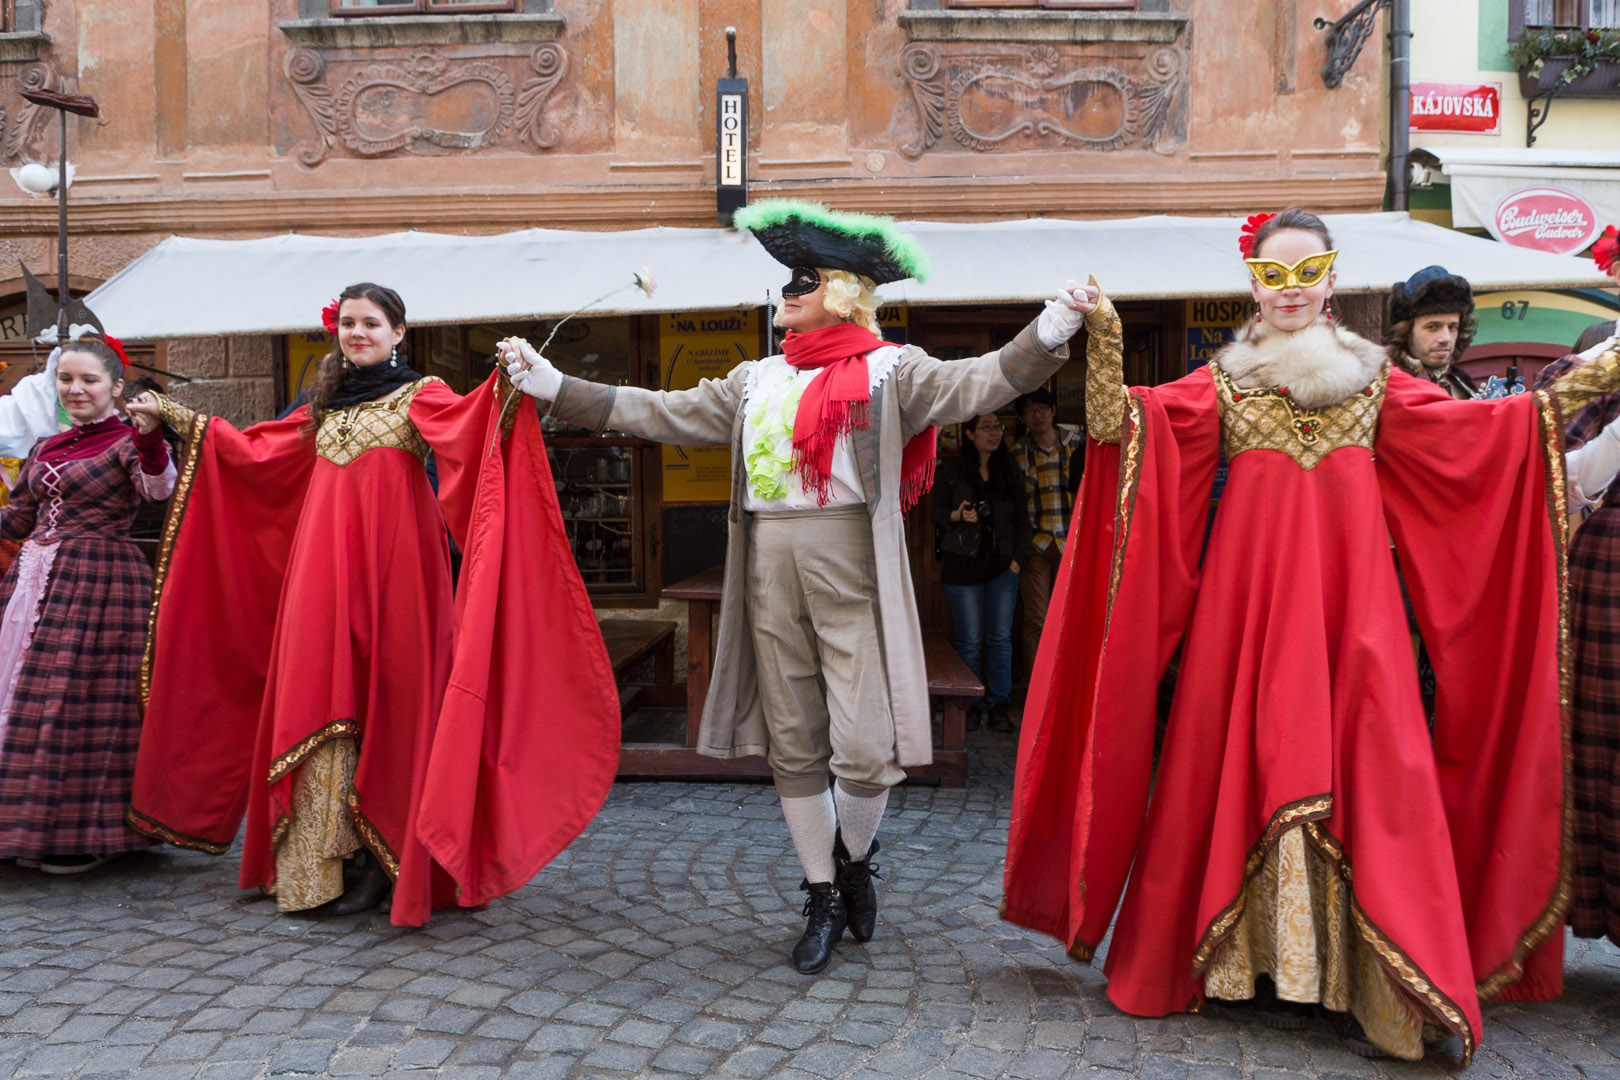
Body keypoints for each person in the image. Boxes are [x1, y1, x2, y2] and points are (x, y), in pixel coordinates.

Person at [1003, 207, 1620, 1063]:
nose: (1289, 290)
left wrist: (1603, 367)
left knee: (1373, 776)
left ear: (1332, 277)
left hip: (1355, 621)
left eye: (1306, 272)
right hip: (1242, 620)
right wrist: (1102, 329)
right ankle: (1246, 970)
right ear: (1252, 281)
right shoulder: (1220, 384)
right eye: (1273, 274)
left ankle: (1368, 985)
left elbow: (1493, 435)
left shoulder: (1377, 383)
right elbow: (1117, 425)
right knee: (1238, 760)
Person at [503, 199, 1105, 974]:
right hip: (767, 567)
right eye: (785, 280)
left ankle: (854, 859)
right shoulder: (756, 379)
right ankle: (823, 890)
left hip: (852, 564)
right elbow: (663, 412)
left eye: (804, 280)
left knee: (862, 745)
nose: (787, 292)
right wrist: (557, 386)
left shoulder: (892, 370)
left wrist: (1051, 329)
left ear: (847, 291)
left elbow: (980, 383)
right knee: (792, 743)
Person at [125, 283, 619, 926]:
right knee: (322, 695)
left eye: (371, 323)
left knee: (396, 706)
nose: (358, 333)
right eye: (349, 324)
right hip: (321, 578)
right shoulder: (323, 407)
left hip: (398, 578)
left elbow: (474, 428)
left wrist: (509, 379)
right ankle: (330, 862)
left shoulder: (422, 394)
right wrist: (177, 416)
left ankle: (391, 867)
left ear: (398, 333)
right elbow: (254, 450)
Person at [0, 335, 172, 873]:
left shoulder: (127, 441)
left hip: (100, 583)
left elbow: (158, 489)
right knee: (26, 701)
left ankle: (85, 832)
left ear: (115, 387)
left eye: (89, 380)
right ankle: (22, 826)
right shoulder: (46, 447)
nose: (75, 390)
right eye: (66, 379)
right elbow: (19, 519)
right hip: (33, 582)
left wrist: (150, 439)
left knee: (79, 707)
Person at [932, 413, 1032, 733]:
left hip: (1003, 567)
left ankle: (999, 706)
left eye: (998, 427)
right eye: (987, 427)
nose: (994, 433)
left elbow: (1021, 520)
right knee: (971, 642)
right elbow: (935, 512)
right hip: (962, 567)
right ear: (970, 434)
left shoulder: (1009, 470)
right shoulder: (952, 471)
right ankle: (970, 705)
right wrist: (958, 514)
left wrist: (1018, 560)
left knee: (1000, 640)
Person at [1011, 388, 1083, 687]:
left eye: (1042, 408)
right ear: (1022, 418)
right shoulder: (1018, 452)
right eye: (1030, 411)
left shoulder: (1077, 444)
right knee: (1036, 620)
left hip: (1074, 543)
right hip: (1037, 545)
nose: (1037, 415)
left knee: (1072, 617)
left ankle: (1070, 685)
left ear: (1053, 411)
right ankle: (1037, 687)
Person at [1385, 265, 1478, 399]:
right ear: (1406, 331)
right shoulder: (1383, 384)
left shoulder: (1460, 381)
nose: (1445, 338)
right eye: (1432, 327)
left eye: (1452, 327)